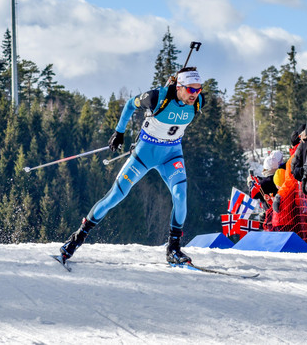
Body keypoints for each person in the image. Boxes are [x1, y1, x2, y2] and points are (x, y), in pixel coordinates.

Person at [59, 67, 205, 265]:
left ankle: (173, 249)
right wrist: (119, 132)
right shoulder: (156, 97)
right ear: (179, 86)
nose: (195, 95)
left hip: (171, 155)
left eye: (199, 90)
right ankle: (75, 240)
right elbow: (129, 104)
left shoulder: (197, 102)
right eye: (191, 90)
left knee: (180, 196)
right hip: (144, 154)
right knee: (115, 196)